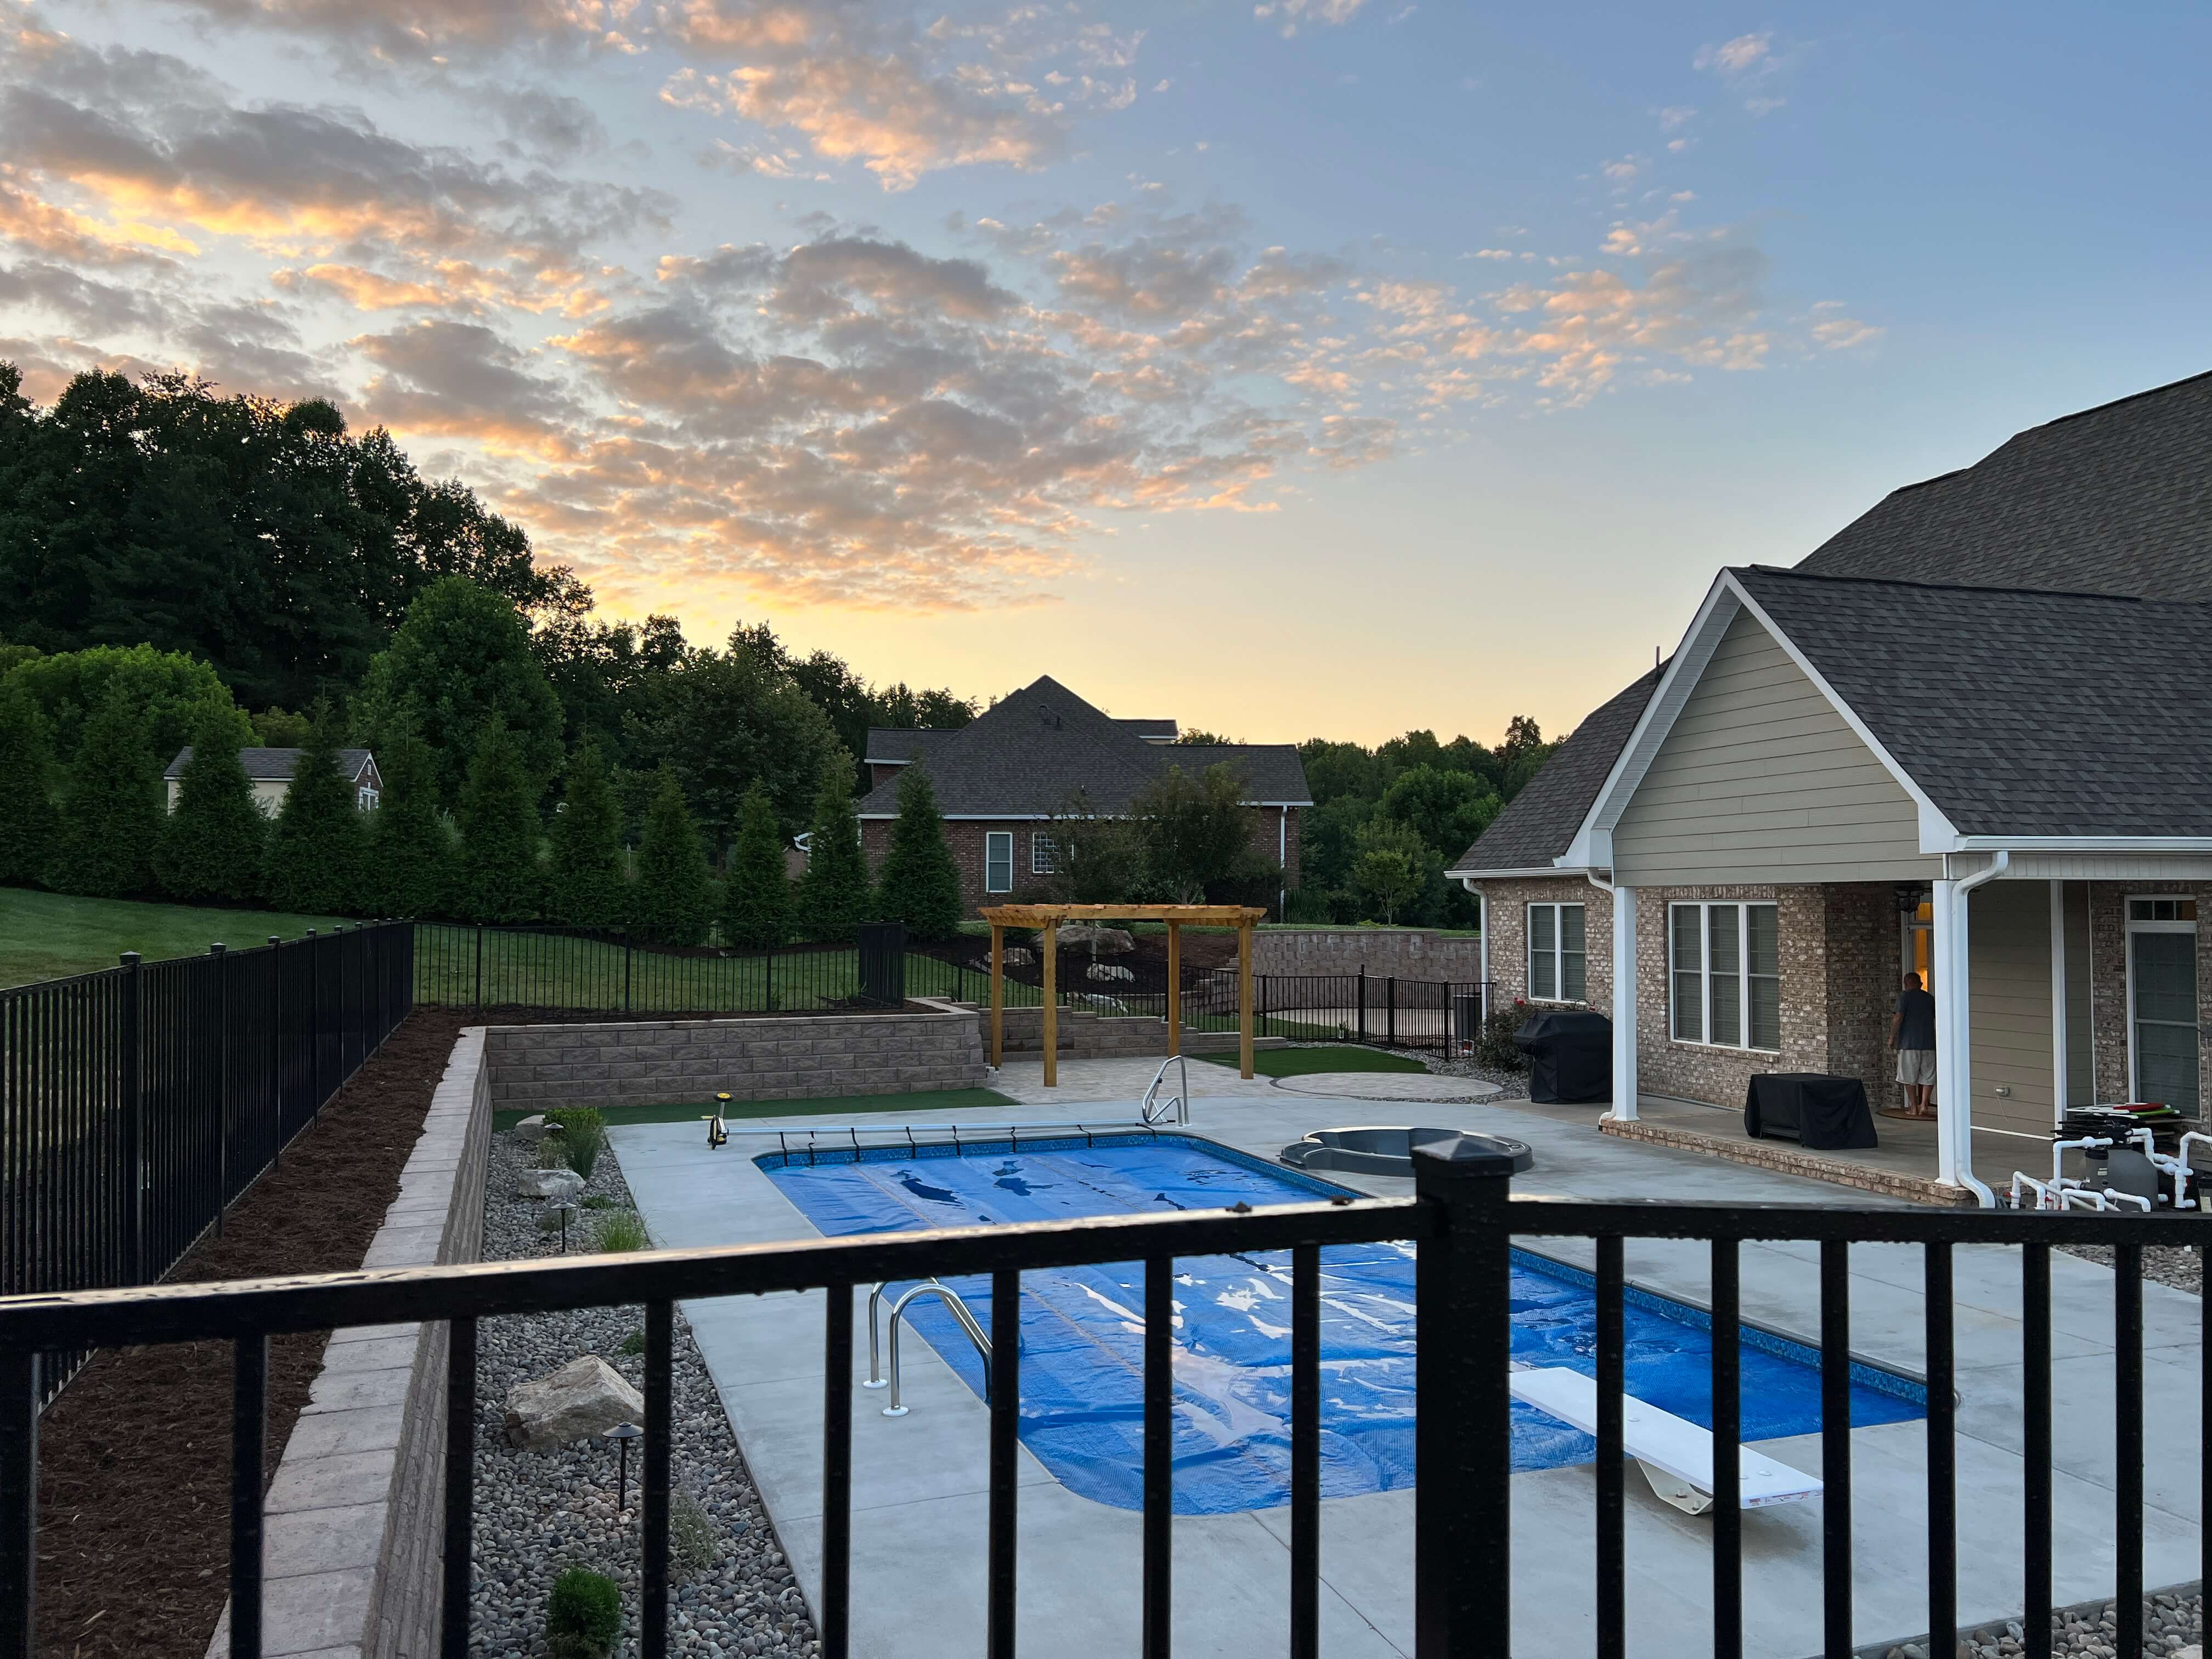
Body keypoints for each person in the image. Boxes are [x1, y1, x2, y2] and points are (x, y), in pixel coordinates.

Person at [1891, 970, 1938, 1119]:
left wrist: (1892, 1037)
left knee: (1908, 1076)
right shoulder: (1929, 999)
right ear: (1921, 984)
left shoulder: (1904, 997)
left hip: (1908, 1043)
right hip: (1929, 1042)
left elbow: (1898, 1017)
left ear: (1906, 985)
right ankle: (1924, 1105)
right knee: (1928, 1075)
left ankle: (1913, 1107)